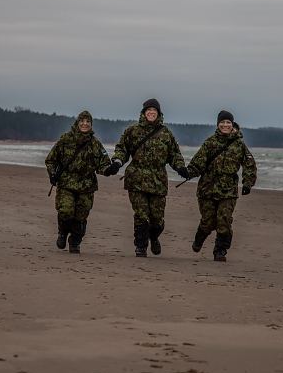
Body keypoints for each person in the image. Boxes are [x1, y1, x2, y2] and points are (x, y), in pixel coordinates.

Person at [104, 98, 188, 257]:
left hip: (158, 181)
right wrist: (117, 162)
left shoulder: (166, 133)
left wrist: (180, 167)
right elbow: (122, 149)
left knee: (157, 220)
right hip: (136, 179)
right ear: (143, 113)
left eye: (154, 111)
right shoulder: (132, 131)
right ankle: (140, 247)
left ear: (158, 114)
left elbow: (174, 154)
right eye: (148, 110)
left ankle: (154, 236)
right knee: (141, 215)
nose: (151, 113)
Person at [187, 110, 257, 262]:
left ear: (232, 125)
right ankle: (199, 238)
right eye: (223, 122)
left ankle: (220, 251)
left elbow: (249, 164)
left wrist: (247, 183)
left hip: (228, 191)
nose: (225, 125)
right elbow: (198, 162)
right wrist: (187, 172)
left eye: (228, 123)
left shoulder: (239, 145)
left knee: (224, 221)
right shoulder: (210, 142)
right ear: (218, 125)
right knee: (208, 221)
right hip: (207, 189)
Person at [45, 110, 111, 254]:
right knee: (66, 211)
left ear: (91, 125)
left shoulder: (95, 144)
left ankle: (75, 242)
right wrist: (52, 174)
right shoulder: (66, 139)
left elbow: (103, 163)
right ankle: (62, 233)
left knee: (81, 217)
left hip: (86, 186)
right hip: (66, 183)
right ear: (77, 122)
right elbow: (51, 159)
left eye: (88, 122)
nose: (85, 124)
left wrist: (108, 170)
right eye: (82, 121)